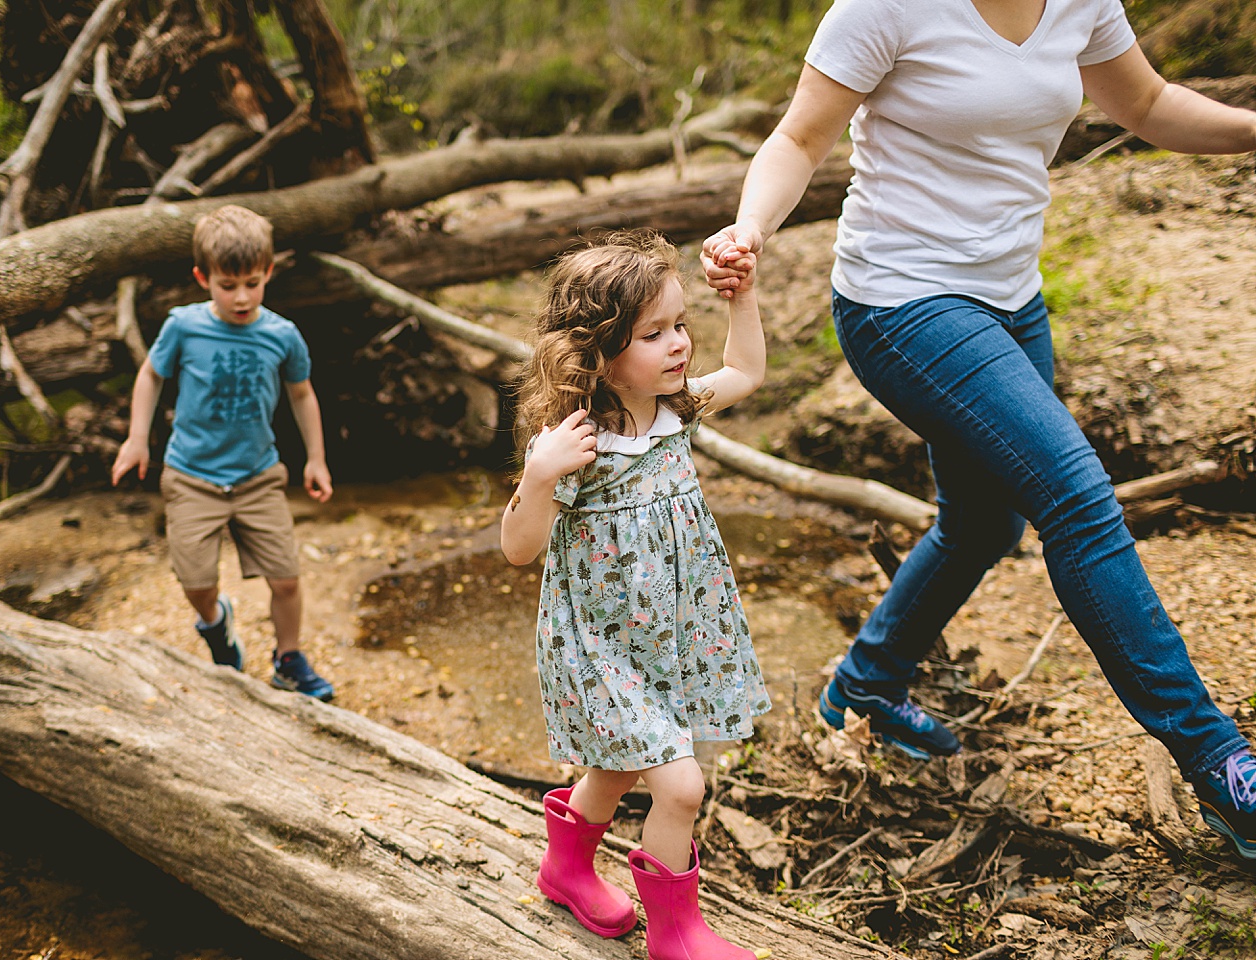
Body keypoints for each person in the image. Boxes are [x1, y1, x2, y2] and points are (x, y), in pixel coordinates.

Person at [702, 0, 1256, 860]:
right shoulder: (884, 7)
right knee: (1076, 496)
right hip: (901, 301)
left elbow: (1146, 106)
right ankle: (1220, 763)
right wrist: (750, 230)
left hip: (1011, 300)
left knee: (984, 522)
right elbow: (799, 139)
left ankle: (866, 687)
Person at [502, 232, 770, 960]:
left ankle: (562, 867)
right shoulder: (575, 443)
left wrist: (741, 298)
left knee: (619, 766)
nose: (680, 344)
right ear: (597, 351)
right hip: (601, 642)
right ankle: (676, 936)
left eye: (680, 324)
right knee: (680, 786)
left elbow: (746, 368)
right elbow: (518, 549)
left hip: (672, 631)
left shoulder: (676, 409)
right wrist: (538, 478)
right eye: (654, 334)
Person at [112, 204, 336, 700]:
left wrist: (314, 458)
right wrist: (136, 438)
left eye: (253, 284)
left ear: (269, 273)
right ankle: (216, 622)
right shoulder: (183, 328)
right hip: (191, 476)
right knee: (194, 580)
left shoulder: (281, 335)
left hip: (258, 476)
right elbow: (150, 375)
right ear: (202, 277)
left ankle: (289, 658)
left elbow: (302, 394)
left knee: (286, 578)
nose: (241, 297)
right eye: (227, 285)